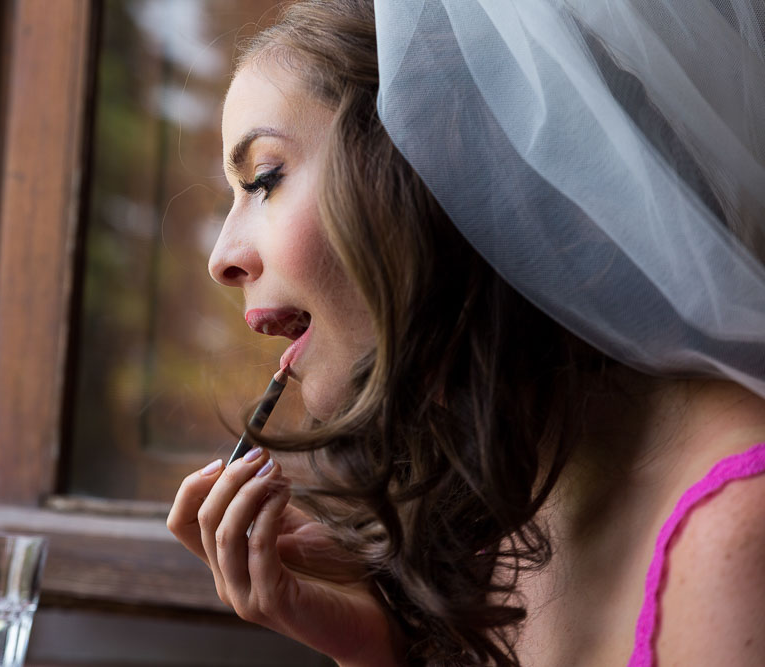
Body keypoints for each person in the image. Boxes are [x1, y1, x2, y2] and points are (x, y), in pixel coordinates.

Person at [166, 0, 765, 664]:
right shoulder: (485, 511)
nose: (221, 256)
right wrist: (373, 648)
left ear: (428, 162)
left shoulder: (739, 530)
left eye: (263, 179)